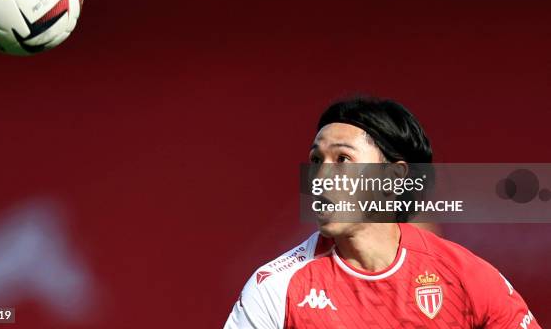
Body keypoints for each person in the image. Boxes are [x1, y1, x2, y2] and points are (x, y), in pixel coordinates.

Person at [224, 96, 539, 328]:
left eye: (343, 160)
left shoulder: (466, 278)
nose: (318, 179)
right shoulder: (278, 289)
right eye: (317, 161)